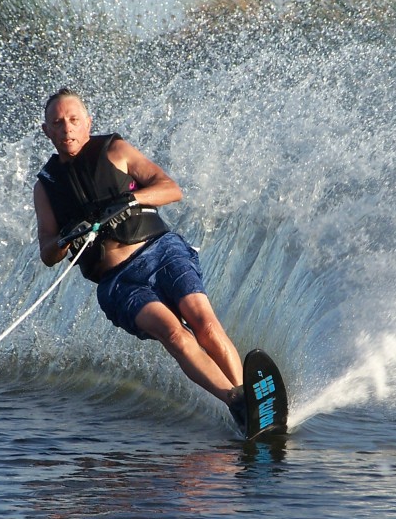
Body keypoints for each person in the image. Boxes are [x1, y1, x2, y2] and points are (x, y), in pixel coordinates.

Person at [33, 88, 246, 427]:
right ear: (46, 131)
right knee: (174, 334)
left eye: (74, 120)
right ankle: (237, 402)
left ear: (88, 122)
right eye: (57, 123)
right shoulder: (46, 186)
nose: (67, 129)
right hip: (119, 282)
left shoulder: (114, 150)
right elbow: (48, 253)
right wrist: (66, 237)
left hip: (162, 251)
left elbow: (170, 188)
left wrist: (131, 201)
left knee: (203, 321)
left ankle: (247, 399)